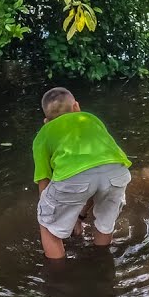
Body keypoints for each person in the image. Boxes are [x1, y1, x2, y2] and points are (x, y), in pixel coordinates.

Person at [32, 87, 133, 260]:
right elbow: (95, 176)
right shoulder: (90, 118)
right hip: (117, 171)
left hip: (76, 178)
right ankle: (101, 261)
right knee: (104, 223)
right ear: (76, 107)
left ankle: (58, 276)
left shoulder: (44, 134)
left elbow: (44, 180)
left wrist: (50, 213)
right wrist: (77, 217)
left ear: (46, 120)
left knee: (47, 226)